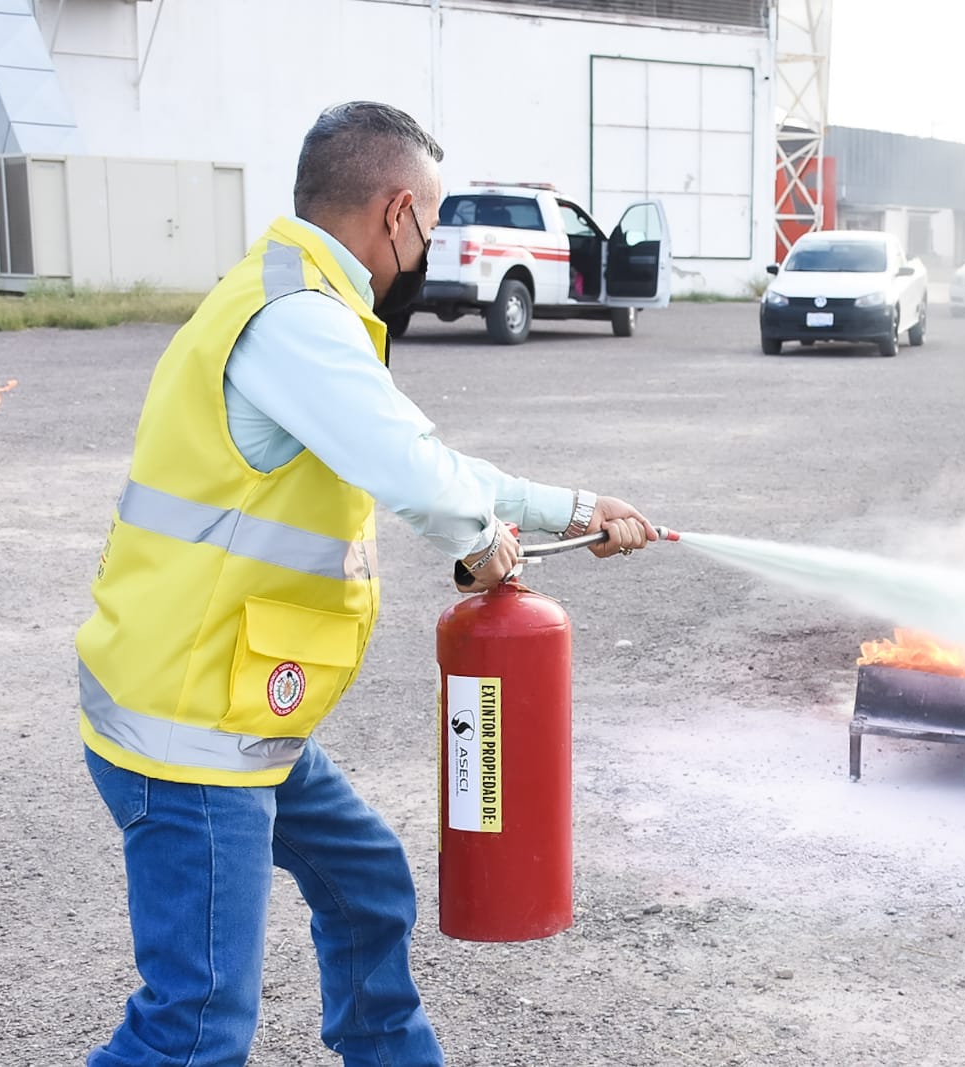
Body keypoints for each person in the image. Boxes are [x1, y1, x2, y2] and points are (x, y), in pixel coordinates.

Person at [74, 100, 657, 1066]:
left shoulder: (304, 302)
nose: (424, 250)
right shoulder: (294, 320)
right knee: (196, 1022)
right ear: (396, 213)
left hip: (237, 705)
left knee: (367, 880)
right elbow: (418, 475)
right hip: (188, 731)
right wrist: (482, 544)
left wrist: (575, 507)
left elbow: (426, 454)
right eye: (428, 225)